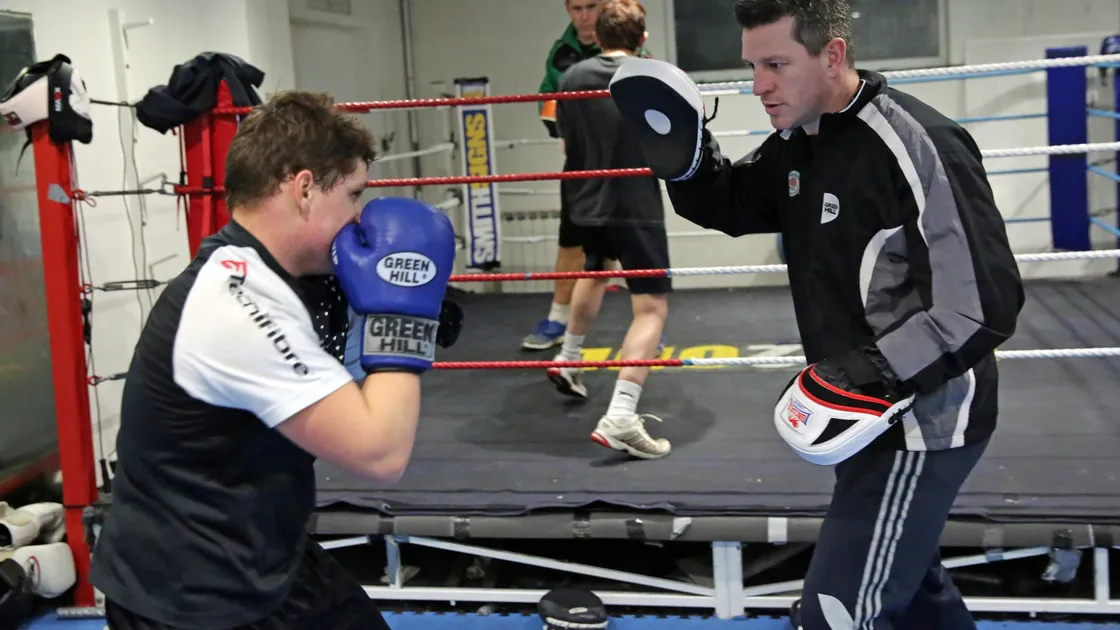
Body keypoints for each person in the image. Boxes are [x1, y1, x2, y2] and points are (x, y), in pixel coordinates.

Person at [609, 0, 1024, 627]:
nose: (759, 86)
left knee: (836, 611)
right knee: (908, 593)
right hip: (863, 416)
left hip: (922, 422)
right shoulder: (800, 142)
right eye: (752, 66)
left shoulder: (918, 143)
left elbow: (982, 302)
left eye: (776, 64)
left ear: (832, 55)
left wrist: (869, 374)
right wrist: (685, 160)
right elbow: (737, 204)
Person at [87, 90, 461, 630]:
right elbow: (379, 454)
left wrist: (384, 313)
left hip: (265, 555)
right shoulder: (234, 303)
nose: (360, 218)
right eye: (354, 196)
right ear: (304, 187)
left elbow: (336, 386)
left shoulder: (280, 276)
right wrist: (403, 323)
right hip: (191, 594)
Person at [547, 0, 671, 460]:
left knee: (594, 272)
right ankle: (621, 414)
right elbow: (671, 139)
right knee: (651, 308)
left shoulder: (571, 78)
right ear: (641, 39)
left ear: (596, 36)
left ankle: (569, 357)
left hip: (586, 200)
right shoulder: (650, 76)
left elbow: (565, 139)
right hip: (635, 204)